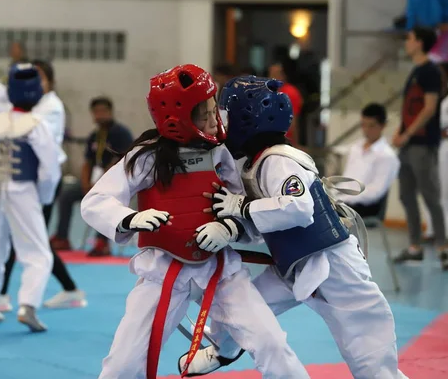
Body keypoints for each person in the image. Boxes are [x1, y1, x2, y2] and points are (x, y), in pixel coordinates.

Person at [81, 65, 309, 379]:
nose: (215, 120)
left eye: (216, 110)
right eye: (205, 114)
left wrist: (230, 227)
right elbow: (95, 201)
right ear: (178, 119)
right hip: (163, 271)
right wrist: (130, 218)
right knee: (122, 365)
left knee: (271, 343)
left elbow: (245, 207)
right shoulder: (146, 157)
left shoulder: (221, 155)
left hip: (220, 269)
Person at [179, 76, 406, 379]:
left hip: (334, 266)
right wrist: (235, 228)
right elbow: (270, 224)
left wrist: (242, 207)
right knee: (243, 308)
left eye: (225, 117)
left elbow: (298, 208)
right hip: (292, 266)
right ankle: (224, 350)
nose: (221, 124)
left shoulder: (279, 161)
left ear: (248, 120)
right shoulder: (258, 163)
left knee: (370, 358)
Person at [0, 59, 87, 313]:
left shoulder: (50, 108)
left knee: (32, 242)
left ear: (50, 82)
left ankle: (55, 292)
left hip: (36, 182)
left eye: (38, 77)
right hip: (8, 182)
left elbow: (44, 155)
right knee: (11, 241)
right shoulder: (16, 115)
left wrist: (42, 195)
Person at [392, 26, 448, 270]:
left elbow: (429, 108)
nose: (407, 42)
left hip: (423, 143)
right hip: (408, 143)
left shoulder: (430, 72)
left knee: (430, 195)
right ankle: (415, 246)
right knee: (406, 194)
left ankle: (443, 248)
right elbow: (410, 108)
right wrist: (399, 130)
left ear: (421, 42)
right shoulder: (415, 71)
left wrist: (407, 134)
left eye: (411, 38)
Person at [51, 97, 133, 257]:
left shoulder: (121, 133)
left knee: (106, 198)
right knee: (66, 194)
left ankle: (102, 242)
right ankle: (62, 237)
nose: (99, 115)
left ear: (110, 112)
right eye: (96, 112)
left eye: (103, 111)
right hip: (94, 183)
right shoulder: (94, 135)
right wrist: (85, 182)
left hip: (115, 184)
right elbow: (88, 162)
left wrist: (102, 182)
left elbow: (122, 161)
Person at [335, 103, 400, 217]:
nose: (366, 130)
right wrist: (333, 194)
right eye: (363, 125)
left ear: (382, 126)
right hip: (346, 200)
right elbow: (346, 180)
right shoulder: (356, 148)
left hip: (366, 206)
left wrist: (344, 199)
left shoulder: (387, 156)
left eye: (371, 126)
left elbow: (375, 192)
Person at [269, 59, 303, 145]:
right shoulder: (270, 92)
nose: (271, 77)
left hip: (285, 142)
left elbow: (293, 123)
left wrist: (295, 145)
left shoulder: (291, 92)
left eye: (275, 74)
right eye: (270, 74)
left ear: (283, 75)